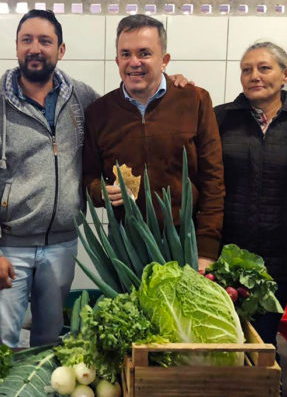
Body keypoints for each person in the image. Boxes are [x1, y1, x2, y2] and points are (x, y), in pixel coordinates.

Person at [0, 10, 100, 348]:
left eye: (45, 40)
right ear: (16, 47)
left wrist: (170, 83)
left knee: (49, 342)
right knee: (3, 343)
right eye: (27, 40)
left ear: (61, 49)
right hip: (10, 248)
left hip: (63, 245)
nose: (35, 48)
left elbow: (122, 110)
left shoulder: (82, 99)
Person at [83, 14, 225, 270]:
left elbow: (213, 181)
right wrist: (99, 191)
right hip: (128, 250)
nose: (133, 62)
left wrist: (206, 251)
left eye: (144, 53)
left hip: (186, 246)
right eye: (125, 54)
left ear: (165, 60)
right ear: (117, 60)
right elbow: (87, 178)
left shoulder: (195, 101)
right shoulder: (98, 113)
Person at [214, 41, 287, 349]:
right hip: (227, 255)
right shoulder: (220, 119)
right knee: (225, 337)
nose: (254, 76)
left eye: (264, 68)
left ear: (285, 74)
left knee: (262, 338)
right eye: (246, 70)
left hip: (281, 258)